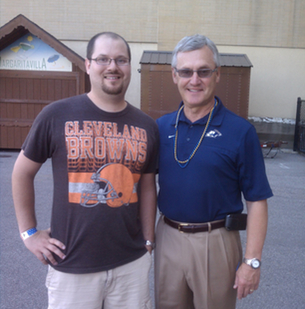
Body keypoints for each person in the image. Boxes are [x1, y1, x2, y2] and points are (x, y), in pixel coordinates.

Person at [12, 32, 159, 309]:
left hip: (131, 264)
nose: (112, 66)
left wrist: (148, 240)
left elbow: (148, 186)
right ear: (88, 64)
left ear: (129, 67)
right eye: (103, 59)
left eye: (121, 60)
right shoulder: (57, 115)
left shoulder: (146, 125)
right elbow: (21, 173)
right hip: (71, 264)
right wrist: (28, 233)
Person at [154, 34, 273, 309]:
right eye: (186, 71)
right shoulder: (161, 128)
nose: (194, 80)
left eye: (203, 71)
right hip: (168, 237)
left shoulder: (240, 132)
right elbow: (145, 185)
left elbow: (256, 201)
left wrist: (252, 262)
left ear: (217, 75)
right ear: (174, 76)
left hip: (216, 242)